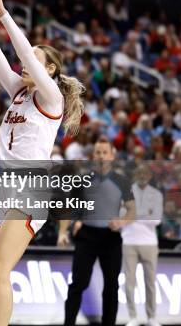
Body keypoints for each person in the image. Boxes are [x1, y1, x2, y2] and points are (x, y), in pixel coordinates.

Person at [0, 0, 85, 326]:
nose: (24, 61)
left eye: (33, 58)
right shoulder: (18, 90)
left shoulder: (51, 98)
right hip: (6, 185)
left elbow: (20, 53)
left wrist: (3, 14)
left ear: (49, 70)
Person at [58, 138, 136, 326]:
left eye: (105, 152)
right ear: (93, 155)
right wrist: (62, 232)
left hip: (111, 238)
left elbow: (132, 210)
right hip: (87, 237)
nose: (101, 156)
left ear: (112, 155)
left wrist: (122, 221)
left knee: (111, 286)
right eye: (98, 152)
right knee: (78, 284)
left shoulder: (122, 182)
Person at [121, 168, 163, 326]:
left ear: (150, 175)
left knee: (150, 282)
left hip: (150, 243)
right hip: (129, 241)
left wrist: (134, 212)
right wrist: (146, 212)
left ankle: (152, 317)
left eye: (145, 173)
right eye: (139, 173)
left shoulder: (156, 194)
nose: (142, 175)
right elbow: (122, 216)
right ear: (135, 175)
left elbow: (156, 220)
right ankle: (133, 317)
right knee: (129, 282)